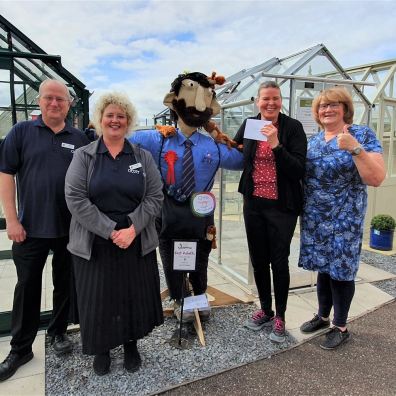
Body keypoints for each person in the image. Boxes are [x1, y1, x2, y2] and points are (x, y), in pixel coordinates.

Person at [129, 71, 243, 323]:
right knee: (171, 258)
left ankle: (199, 295)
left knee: (200, 258)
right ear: (174, 101)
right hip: (168, 211)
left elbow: (242, 160)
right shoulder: (156, 140)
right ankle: (181, 299)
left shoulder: (213, 146)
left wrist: (264, 143)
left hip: (201, 212)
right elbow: (121, 140)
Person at [65, 92, 164, 376]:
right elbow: (75, 198)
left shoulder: (141, 156)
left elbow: (155, 196)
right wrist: (111, 231)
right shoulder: (84, 156)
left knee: (132, 294)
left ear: (129, 121)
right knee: (98, 297)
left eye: (121, 116)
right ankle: (102, 349)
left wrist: (132, 228)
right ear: (100, 120)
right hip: (95, 240)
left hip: (135, 237)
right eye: (110, 115)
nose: (115, 120)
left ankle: (131, 345)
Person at [0, 79, 89, 382]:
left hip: (69, 229)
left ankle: (58, 332)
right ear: (40, 101)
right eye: (49, 98)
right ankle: (21, 348)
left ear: (69, 104)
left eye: (60, 99)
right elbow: (6, 176)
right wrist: (12, 220)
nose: (54, 103)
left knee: (65, 284)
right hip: (29, 228)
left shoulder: (78, 138)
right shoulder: (21, 132)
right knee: (27, 287)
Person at [298, 87, 385, 349]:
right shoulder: (313, 141)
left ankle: (341, 325)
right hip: (315, 217)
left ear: (345, 108)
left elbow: (377, 178)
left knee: (342, 272)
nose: (327, 110)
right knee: (324, 268)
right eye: (323, 106)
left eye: (334, 104)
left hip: (344, 219)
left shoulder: (361, 135)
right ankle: (323, 316)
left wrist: (355, 149)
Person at [234, 81, 307, 343]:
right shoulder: (251, 125)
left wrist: (276, 145)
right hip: (253, 203)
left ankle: (281, 316)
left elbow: (299, 168)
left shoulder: (293, 127)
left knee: (278, 261)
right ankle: (265, 309)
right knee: (259, 258)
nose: (271, 103)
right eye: (266, 99)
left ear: (281, 101)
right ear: (258, 101)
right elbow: (233, 149)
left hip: (282, 206)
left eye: (275, 98)